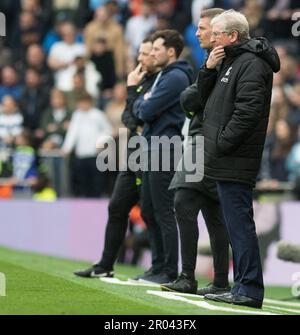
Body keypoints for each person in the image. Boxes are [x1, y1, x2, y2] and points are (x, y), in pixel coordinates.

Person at [201, 10, 280, 308]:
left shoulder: (250, 64)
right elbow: (199, 101)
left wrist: (222, 142)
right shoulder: (230, 61)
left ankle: (248, 289)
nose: (211, 38)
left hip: (235, 157)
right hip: (226, 156)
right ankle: (242, 287)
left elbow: (247, 112)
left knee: (240, 224)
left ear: (232, 36)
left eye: (216, 33)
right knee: (236, 224)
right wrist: (209, 69)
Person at [73, 37, 161, 277]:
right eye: (140, 54)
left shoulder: (161, 82)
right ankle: (105, 264)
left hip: (155, 154)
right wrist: (135, 104)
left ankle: (161, 267)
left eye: (147, 54)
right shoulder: (138, 82)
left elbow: (145, 115)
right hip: (131, 156)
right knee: (116, 207)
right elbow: (129, 118)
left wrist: (136, 108)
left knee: (153, 212)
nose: (141, 59)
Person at [161, 8, 230, 296]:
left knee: (183, 199)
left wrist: (206, 75)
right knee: (213, 213)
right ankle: (221, 281)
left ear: (217, 32)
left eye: (203, 28)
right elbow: (189, 99)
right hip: (208, 140)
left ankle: (188, 277)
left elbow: (197, 98)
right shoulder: (210, 60)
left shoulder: (223, 61)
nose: (198, 32)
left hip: (205, 141)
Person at [132, 30, 193, 284]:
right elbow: (141, 110)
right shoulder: (163, 76)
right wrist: (142, 102)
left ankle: (168, 270)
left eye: (156, 49)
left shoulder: (176, 77)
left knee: (163, 211)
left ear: (170, 52)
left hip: (164, 147)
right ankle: (157, 266)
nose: (151, 53)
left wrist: (142, 101)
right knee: (148, 209)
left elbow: (145, 110)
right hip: (151, 146)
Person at [61, 92, 112, 198]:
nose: (81, 105)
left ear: (89, 102)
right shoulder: (77, 115)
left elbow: (108, 130)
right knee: (82, 182)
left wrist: (101, 143)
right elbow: (72, 133)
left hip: (95, 154)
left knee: (96, 182)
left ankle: (96, 204)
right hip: (81, 154)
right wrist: (66, 149)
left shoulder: (98, 115)